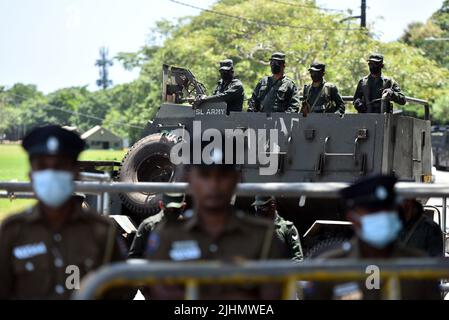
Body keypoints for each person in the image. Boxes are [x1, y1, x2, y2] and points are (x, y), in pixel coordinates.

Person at [145, 140, 287, 299]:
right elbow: (158, 292)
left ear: (237, 179)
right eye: (205, 176)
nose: (214, 185)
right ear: (190, 180)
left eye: (223, 175)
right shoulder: (167, 236)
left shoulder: (263, 237)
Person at [0, 125, 126, 299]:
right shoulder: (12, 231)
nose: (51, 174)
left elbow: (121, 292)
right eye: (42, 166)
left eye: (60, 166)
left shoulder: (102, 231)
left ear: (76, 173)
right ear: (31, 175)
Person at [305, 175, 440, 300]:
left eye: (388, 210)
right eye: (373, 212)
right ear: (353, 218)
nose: (383, 217)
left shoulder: (420, 267)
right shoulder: (329, 268)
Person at [128, 193, 186, 258]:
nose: (172, 212)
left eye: (176, 209)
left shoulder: (187, 227)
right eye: (169, 209)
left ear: (183, 207)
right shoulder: (148, 225)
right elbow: (134, 256)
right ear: (161, 205)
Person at [252, 195, 303, 262]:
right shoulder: (255, 228)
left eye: (262, 207)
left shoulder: (287, 228)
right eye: (256, 207)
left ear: (273, 206)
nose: (258, 212)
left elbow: (298, 259)